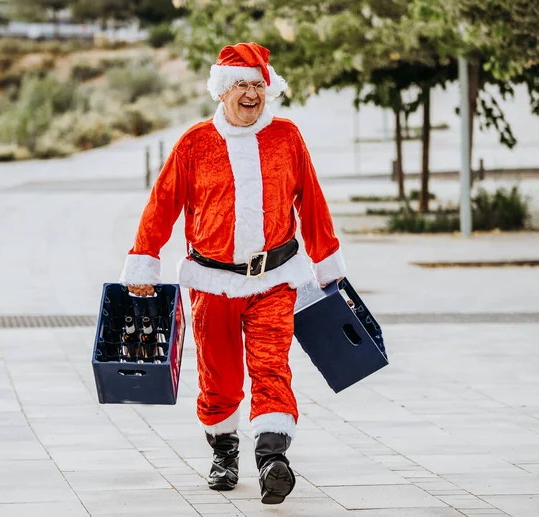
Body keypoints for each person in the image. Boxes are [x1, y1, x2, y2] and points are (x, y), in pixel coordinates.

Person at [119, 42, 346, 505]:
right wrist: (144, 258)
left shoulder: (287, 138)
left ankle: (272, 459)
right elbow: (161, 206)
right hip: (212, 282)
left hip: (274, 279)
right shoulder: (194, 143)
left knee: (271, 367)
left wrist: (326, 264)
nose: (250, 93)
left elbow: (313, 200)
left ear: (269, 90)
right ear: (222, 91)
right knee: (218, 375)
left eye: (258, 85)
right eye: (240, 84)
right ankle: (224, 450)